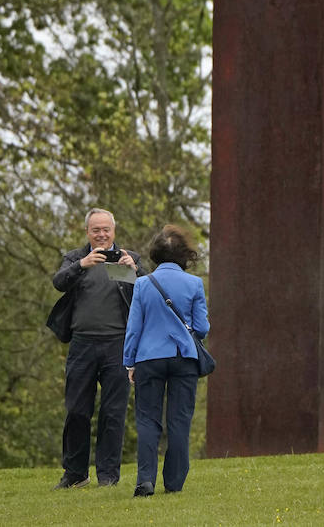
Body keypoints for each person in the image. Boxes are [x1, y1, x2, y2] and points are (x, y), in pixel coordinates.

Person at [51, 208, 144, 490]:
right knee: (77, 410)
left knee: (113, 413)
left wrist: (135, 272)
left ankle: (108, 476)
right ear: (87, 233)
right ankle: (75, 473)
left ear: (114, 231)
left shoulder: (131, 259)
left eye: (106, 230)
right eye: (96, 230)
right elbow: (58, 282)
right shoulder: (75, 258)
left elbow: (147, 293)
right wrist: (82, 264)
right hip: (82, 344)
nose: (101, 235)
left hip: (118, 345)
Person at [123, 224, 210, 497]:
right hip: (183, 357)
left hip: (149, 358)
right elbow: (202, 327)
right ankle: (173, 483)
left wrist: (130, 361)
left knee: (148, 420)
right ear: (184, 254)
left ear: (155, 254)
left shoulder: (142, 284)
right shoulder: (194, 284)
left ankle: (145, 480)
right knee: (179, 420)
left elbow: (134, 327)